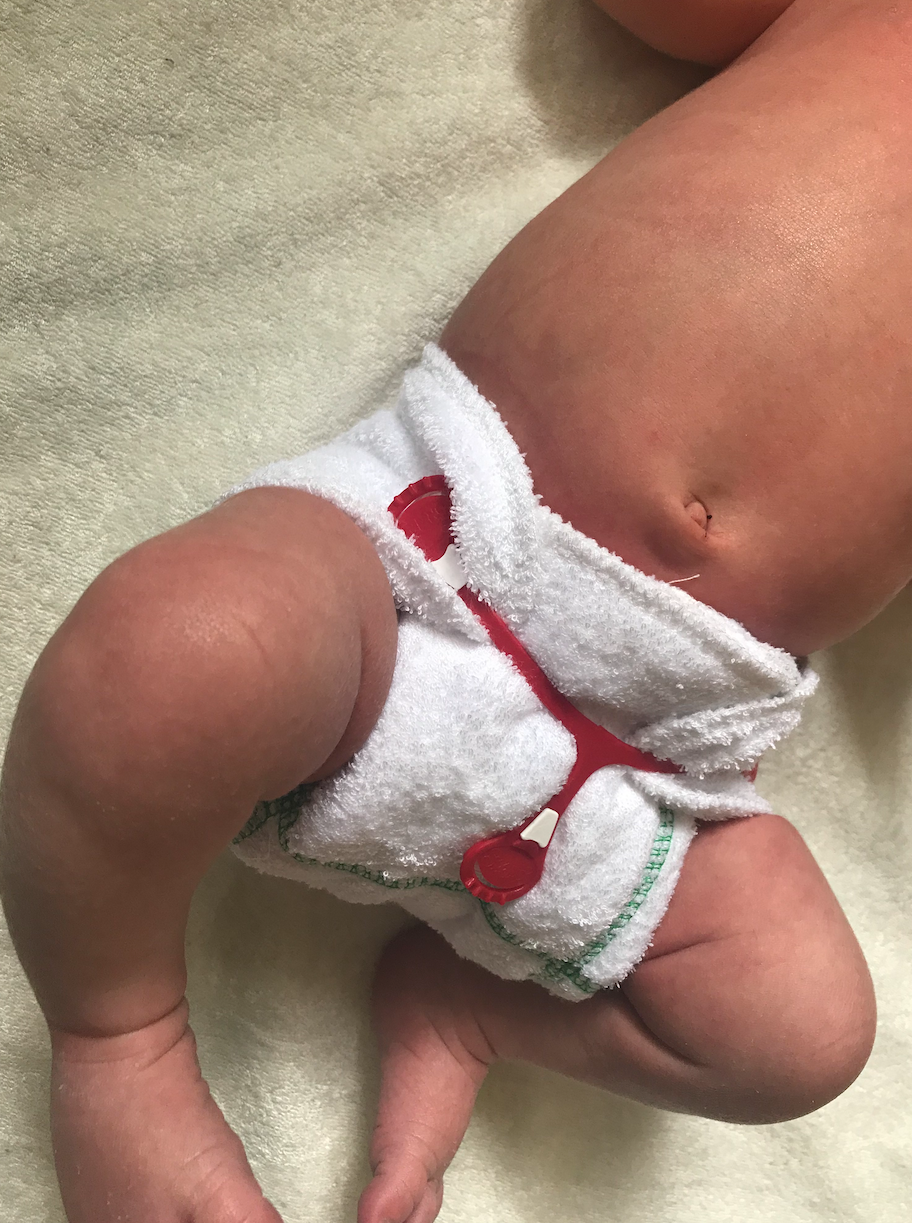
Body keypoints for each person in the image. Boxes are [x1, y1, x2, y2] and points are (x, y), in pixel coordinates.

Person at [4, 0, 903, 1219]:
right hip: (442, 552)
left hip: (668, 744)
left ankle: (471, 1011)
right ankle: (119, 1037)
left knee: (804, 1036)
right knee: (177, 655)